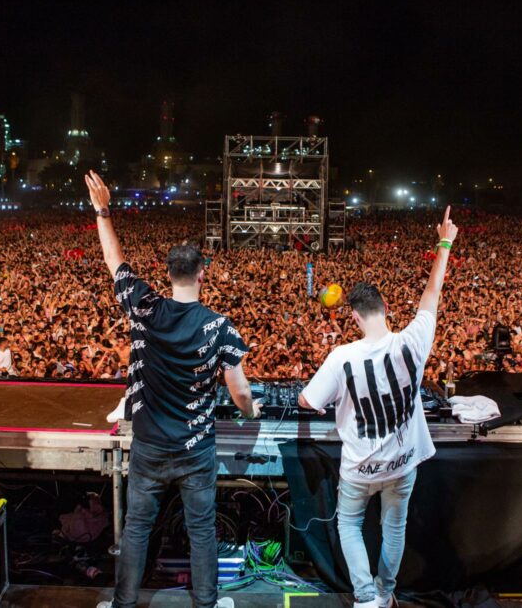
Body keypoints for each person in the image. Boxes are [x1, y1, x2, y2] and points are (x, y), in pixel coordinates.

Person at [85, 171, 261, 608]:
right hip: (195, 448)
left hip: (147, 445)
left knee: (137, 528)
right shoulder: (220, 327)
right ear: (203, 275)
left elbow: (114, 261)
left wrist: (103, 211)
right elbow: (239, 393)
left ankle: (124, 603)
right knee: (202, 529)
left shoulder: (145, 308)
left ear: (167, 274)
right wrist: (252, 412)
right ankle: (207, 603)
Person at [299, 206, 458, 608]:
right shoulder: (412, 342)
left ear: (353, 317)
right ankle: (386, 593)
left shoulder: (341, 357)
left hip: (359, 468)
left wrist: (316, 398)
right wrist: (444, 244)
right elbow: (431, 294)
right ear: (385, 307)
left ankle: (366, 598)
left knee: (350, 524)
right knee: (395, 527)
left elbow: (307, 400)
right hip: (402, 464)